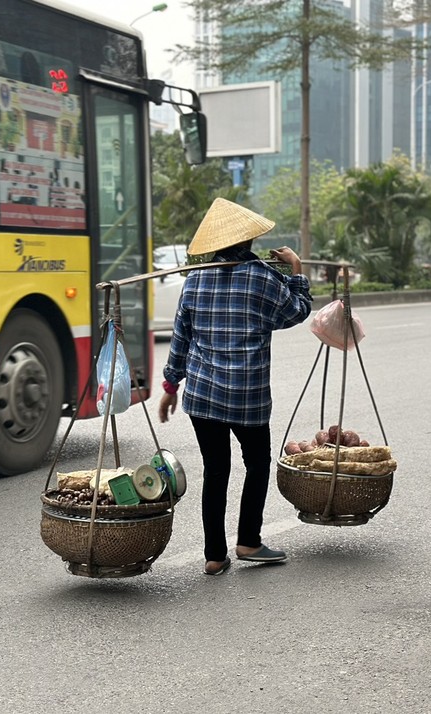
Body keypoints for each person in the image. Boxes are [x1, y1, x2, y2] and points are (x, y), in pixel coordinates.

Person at [157, 198, 312, 576]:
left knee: (216, 470)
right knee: (256, 464)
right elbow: (298, 311)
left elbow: (181, 339)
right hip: (247, 396)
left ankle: (214, 555)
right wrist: (296, 268)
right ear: (249, 241)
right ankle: (249, 541)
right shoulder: (262, 278)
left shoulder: (194, 280)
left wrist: (170, 385)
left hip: (203, 395)